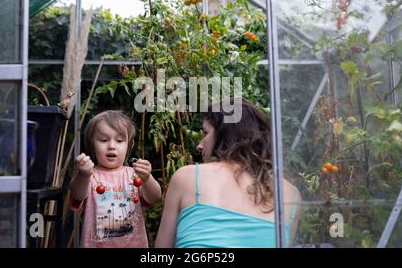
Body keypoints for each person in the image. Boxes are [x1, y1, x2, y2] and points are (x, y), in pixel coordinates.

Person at [155, 99, 301, 248]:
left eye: (206, 133)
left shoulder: (187, 178)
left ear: (224, 135)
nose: (199, 145)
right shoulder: (290, 193)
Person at [69, 110, 161, 248]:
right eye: (104, 140)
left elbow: (154, 197)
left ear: (129, 145)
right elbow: (77, 194)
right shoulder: (89, 175)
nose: (111, 146)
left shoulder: (134, 174)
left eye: (119, 140)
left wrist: (147, 178)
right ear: (92, 143)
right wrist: (82, 175)